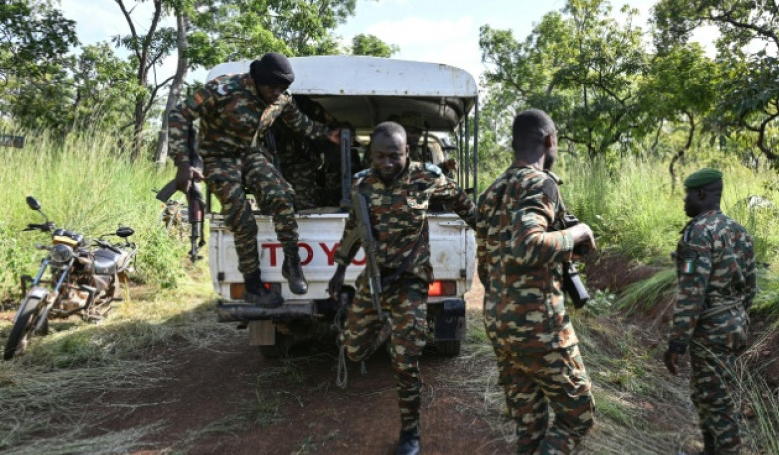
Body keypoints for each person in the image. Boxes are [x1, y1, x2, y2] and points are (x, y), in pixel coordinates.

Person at [327, 121, 476, 455]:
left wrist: (491, 234)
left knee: (406, 360)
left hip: (410, 281)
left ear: (407, 151)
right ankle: (385, 330)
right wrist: (340, 269)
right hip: (375, 278)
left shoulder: (428, 178)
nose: (387, 163)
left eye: (394, 156)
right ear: (371, 155)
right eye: (379, 156)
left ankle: (410, 433)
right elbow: (353, 228)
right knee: (353, 350)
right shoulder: (361, 183)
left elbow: (465, 205)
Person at [168, 52, 339, 308]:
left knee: (282, 195)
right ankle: (253, 285)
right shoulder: (224, 88)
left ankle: (292, 263)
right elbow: (179, 114)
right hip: (219, 157)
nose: (276, 92)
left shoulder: (280, 98)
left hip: (251, 154)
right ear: (258, 80)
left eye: (283, 88)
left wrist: (328, 135)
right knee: (242, 220)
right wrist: (183, 162)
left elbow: (299, 123)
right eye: (272, 87)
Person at [475, 108, 596, 454]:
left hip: (499, 323)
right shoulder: (540, 184)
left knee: (529, 427)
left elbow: (488, 265)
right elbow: (528, 246)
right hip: (540, 328)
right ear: (549, 141)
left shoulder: (491, 192)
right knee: (577, 417)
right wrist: (578, 233)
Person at [663, 167, 756, 455]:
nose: (684, 201)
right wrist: (734, 317)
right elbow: (750, 288)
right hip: (735, 325)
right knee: (707, 394)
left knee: (716, 401)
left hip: (711, 331)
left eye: (687, 195)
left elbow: (692, 293)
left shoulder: (698, 234)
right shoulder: (739, 231)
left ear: (701, 194)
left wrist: (677, 342)